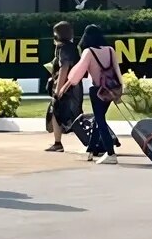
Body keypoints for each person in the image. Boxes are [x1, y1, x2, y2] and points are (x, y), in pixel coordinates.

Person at [60, 25, 121, 165]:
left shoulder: (88, 52)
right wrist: (119, 92)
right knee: (99, 120)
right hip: (111, 90)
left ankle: (110, 153)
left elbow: (77, 73)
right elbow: (117, 71)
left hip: (98, 91)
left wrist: (65, 85)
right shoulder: (110, 50)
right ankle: (90, 150)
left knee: (100, 120)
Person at [44, 21, 82, 153]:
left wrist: (58, 90)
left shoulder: (63, 49)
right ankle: (95, 141)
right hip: (75, 86)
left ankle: (57, 143)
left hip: (65, 88)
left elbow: (64, 69)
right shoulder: (73, 47)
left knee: (57, 112)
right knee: (75, 115)